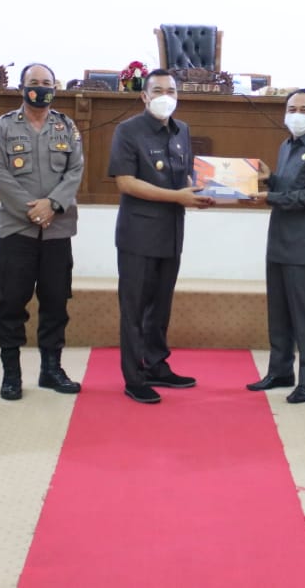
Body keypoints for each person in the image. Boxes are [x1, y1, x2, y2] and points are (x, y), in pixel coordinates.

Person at [109, 68, 214, 404]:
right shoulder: (127, 131)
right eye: (157, 91)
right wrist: (177, 197)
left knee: (160, 307)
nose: (165, 96)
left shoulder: (182, 129)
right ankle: (134, 377)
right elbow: (125, 182)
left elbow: (183, 177)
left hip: (171, 233)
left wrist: (199, 192)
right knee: (134, 309)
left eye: (171, 91)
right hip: (139, 235)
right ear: (144, 96)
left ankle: (156, 365)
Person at [0, 63, 84, 400]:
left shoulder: (66, 126)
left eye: (46, 83)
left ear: (54, 88)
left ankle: (51, 370)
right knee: (11, 303)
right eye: (34, 82)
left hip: (58, 230)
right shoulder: (2, 127)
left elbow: (75, 170)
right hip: (17, 230)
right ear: (21, 87)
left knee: (56, 302)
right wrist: (33, 210)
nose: (40, 88)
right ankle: (11, 374)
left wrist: (52, 205)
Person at [246, 89, 305, 404]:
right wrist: (271, 179)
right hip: (279, 241)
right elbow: (291, 188)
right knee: (279, 313)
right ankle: (280, 371)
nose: (296, 114)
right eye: (291, 108)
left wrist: (269, 197)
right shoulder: (287, 145)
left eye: (303, 109)